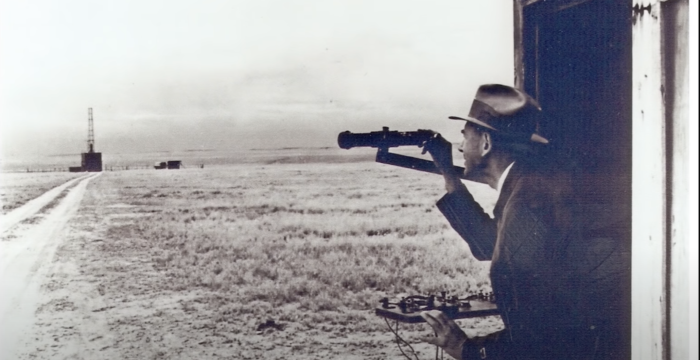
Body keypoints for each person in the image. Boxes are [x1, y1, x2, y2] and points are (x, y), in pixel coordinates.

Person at [418, 84, 630, 359]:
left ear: (485, 143)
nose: (460, 146)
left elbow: (534, 343)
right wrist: (448, 172)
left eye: (464, 137)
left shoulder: (526, 205)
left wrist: (467, 349)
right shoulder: (530, 185)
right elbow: (491, 244)